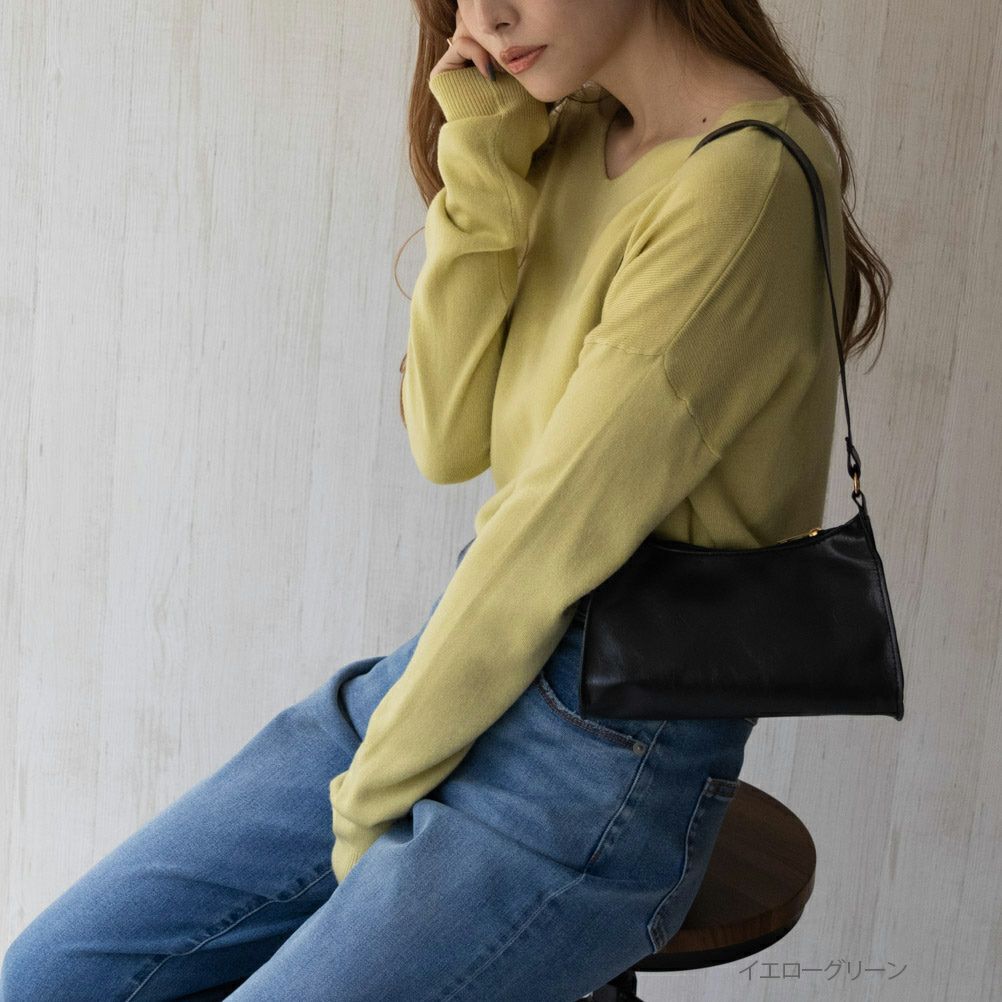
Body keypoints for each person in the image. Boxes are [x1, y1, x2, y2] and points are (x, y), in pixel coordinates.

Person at [1, 0, 891, 999]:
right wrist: (483, 159)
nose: (489, 16)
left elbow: (545, 545)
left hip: (605, 756)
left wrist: (370, 800)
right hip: (464, 658)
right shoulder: (574, 135)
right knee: (50, 977)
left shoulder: (746, 184)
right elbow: (447, 435)